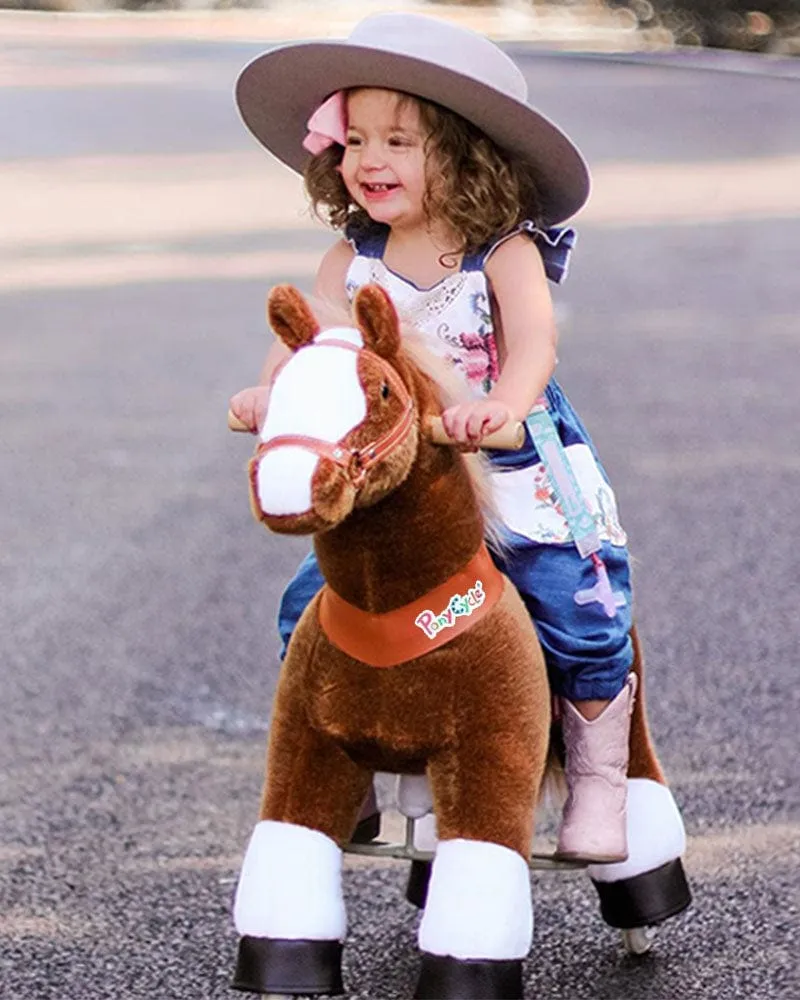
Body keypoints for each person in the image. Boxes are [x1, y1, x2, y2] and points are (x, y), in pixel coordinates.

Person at [229, 12, 636, 864]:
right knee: (311, 610)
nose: (371, 161)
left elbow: (533, 342)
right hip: (393, 476)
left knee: (579, 604)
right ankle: (342, 775)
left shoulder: (501, 252)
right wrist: (271, 395)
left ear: (465, 151)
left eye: (400, 141)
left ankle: (599, 779)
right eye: (357, 141)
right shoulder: (354, 258)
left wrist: (506, 404)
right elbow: (309, 341)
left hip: (509, 458)